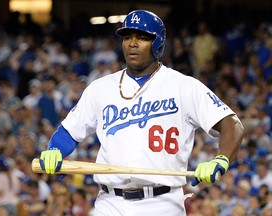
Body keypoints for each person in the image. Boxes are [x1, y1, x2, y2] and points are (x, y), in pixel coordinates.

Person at [39, 10, 244, 215]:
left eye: (142, 38)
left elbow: (231, 124)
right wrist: (55, 149)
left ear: (158, 44)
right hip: (109, 203)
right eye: (128, 37)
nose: (133, 43)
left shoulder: (184, 86)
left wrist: (221, 159)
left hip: (162, 203)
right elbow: (69, 131)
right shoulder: (100, 88)